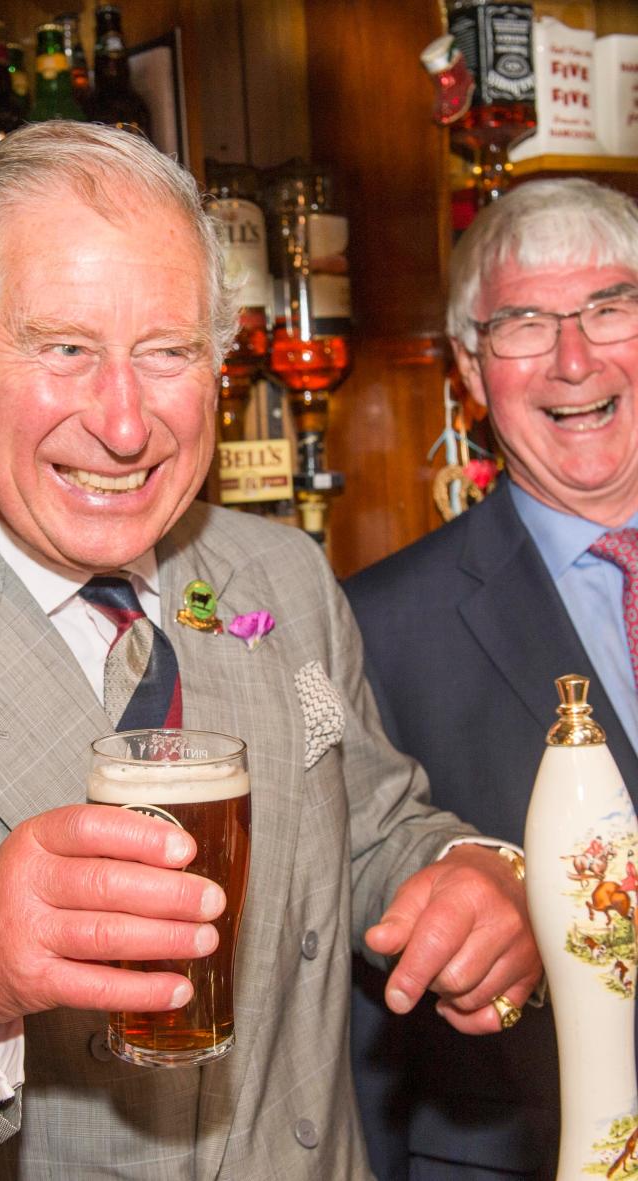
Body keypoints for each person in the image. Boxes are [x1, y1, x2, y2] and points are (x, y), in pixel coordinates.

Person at [0, 122, 540, 1180]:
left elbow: (369, 827)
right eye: (65, 348)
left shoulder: (279, 579)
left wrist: (476, 872)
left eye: (168, 351)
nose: (125, 424)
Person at [347, 175, 638, 1180]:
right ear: (470, 368)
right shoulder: (374, 627)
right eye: (523, 322)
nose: (574, 356)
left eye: (611, 305)